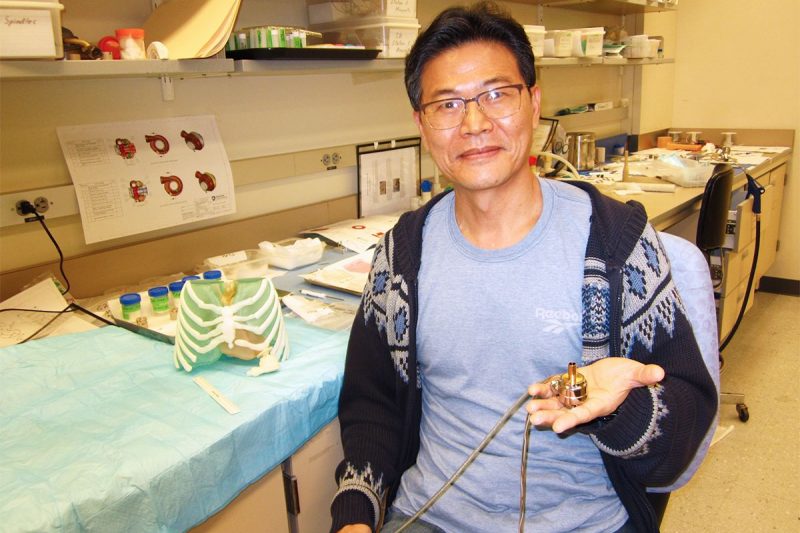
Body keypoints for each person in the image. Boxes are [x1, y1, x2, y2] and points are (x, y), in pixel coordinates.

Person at [330, 3, 717, 532]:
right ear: (421, 123)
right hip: (429, 517)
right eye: (447, 104)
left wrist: (616, 409)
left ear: (534, 104)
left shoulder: (615, 243)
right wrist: (356, 515)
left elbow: (684, 434)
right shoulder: (404, 254)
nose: (474, 124)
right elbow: (371, 404)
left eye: (496, 94)